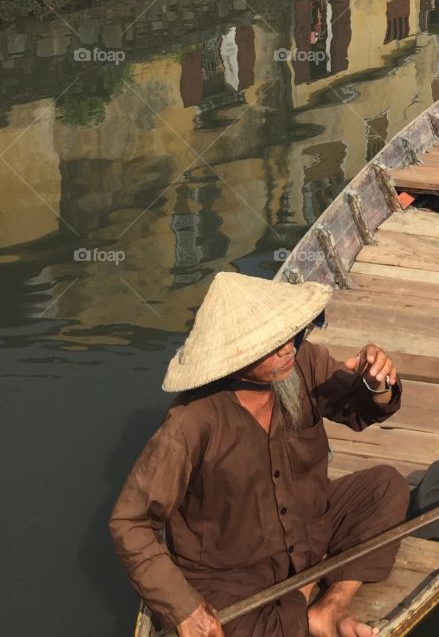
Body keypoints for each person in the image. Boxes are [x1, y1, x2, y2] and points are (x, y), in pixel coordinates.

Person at [110, 272, 408, 637]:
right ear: (234, 354)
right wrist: (185, 610)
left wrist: (377, 385)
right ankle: (307, 609)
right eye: (270, 344)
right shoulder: (192, 421)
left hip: (309, 528)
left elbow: (359, 408)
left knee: (387, 488)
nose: (287, 349)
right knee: (238, 626)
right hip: (231, 575)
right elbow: (130, 522)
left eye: (291, 336)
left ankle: (331, 605)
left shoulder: (303, 364)